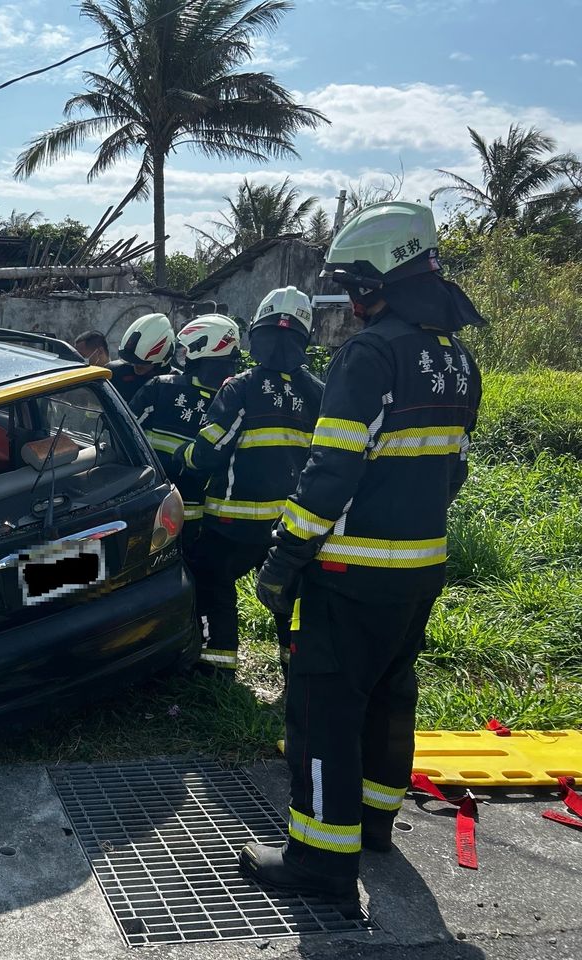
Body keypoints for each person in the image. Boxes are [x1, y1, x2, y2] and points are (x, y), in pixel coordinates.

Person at [239, 201, 484, 912]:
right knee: (389, 694)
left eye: (356, 286)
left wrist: (285, 558)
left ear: (380, 280)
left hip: (351, 576)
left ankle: (319, 860)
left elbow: (330, 471)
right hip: (421, 571)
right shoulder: (456, 360)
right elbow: (454, 471)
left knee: (323, 710)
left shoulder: (369, 354)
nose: (351, 303)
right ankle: (374, 823)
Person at [176, 287, 324, 674]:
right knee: (288, 592)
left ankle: (218, 665)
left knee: (211, 579)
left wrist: (180, 457)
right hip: (292, 524)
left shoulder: (239, 388)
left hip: (232, 523)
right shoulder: (319, 393)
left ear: (257, 332)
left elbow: (207, 453)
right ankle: (296, 668)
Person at [130, 313, 241, 541]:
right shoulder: (236, 401)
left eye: (188, 349)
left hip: (149, 505)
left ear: (201, 349)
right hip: (202, 521)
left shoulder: (160, 387)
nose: (184, 354)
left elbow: (121, 434)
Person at [105, 313, 175, 403]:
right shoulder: (114, 373)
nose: (137, 365)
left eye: (143, 362)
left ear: (162, 358)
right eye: (132, 361)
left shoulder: (173, 382)